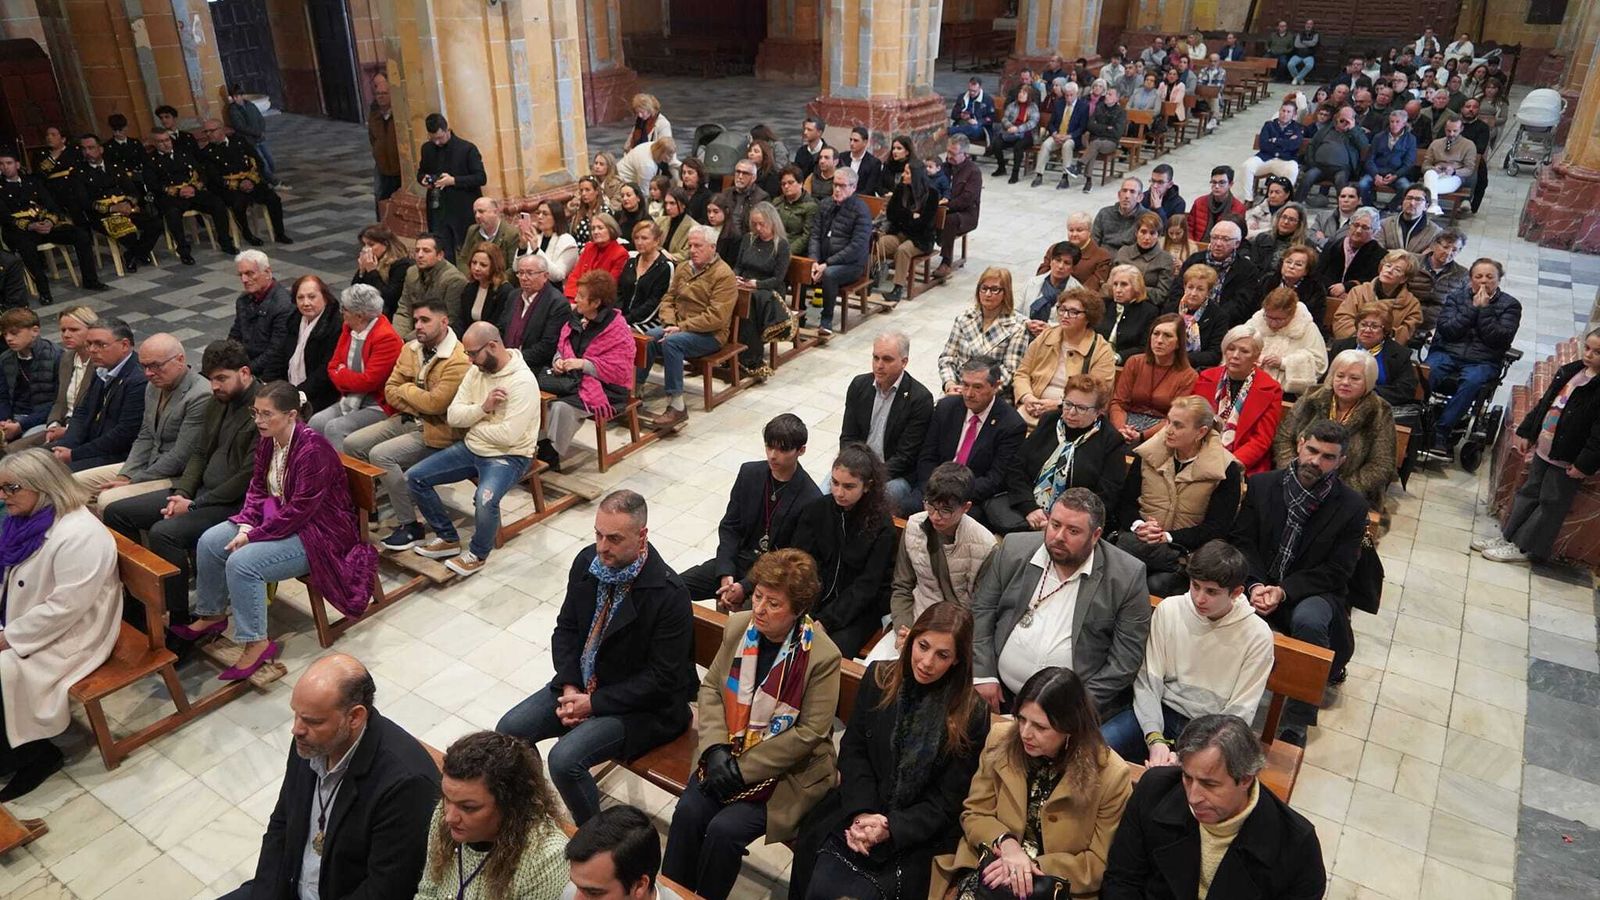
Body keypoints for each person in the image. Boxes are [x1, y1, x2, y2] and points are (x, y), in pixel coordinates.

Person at [495, 488, 696, 827]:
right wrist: (571, 685)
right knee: (510, 731)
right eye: (599, 534)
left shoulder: (668, 595)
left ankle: (595, 837)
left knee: (565, 759)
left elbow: (663, 680)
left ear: (642, 535)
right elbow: (567, 629)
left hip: (643, 709)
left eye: (614, 538)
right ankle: (534, 815)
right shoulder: (588, 564)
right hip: (585, 684)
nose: (603, 547)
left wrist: (594, 703)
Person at [662, 548, 842, 900]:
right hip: (725, 753)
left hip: (785, 773)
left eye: (773, 604)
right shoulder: (739, 626)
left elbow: (809, 733)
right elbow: (712, 687)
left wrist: (741, 769)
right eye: (758, 596)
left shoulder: (821, 656)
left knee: (724, 831)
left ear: (798, 610)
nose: (759, 609)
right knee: (687, 812)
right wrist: (714, 749)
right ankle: (672, 894)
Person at [792, 602, 991, 900]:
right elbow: (854, 750)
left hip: (914, 832)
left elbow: (948, 800)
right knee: (819, 877)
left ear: (957, 660)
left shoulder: (971, 713)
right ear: (912, 639)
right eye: (922, 646)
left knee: (866, 894)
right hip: (861, 806)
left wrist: (890, 827)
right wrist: (862, 813)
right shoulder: (879, 677)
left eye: (942, 655)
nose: (926, 662)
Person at [178, 382, 377, 677]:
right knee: (209, 541)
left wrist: (252, 535)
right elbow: (257, 487)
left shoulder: (313, 449)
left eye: (267, 414)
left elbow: (302, 511)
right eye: (255, 413)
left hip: (321, 531)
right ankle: (212, 613)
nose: (258, 421)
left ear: (291, 415)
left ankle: (256, 641)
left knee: (243, 563)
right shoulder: (268, 440)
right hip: (280, 515)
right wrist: (246, 520)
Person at [224, 654, 439, 899]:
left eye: (312, 720)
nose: (297, 729)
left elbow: (386, 889)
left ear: (355, 717)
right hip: (291, 885)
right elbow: (280, 827)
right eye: (296, 714)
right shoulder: (311, 743)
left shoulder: (405, 784)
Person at [930, 666, 1134, 898]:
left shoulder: (1110, 775)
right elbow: (974, 812)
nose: (1025, 733)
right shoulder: (1001, 739)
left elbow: (1098, 863)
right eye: (1021, 719)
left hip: (1055, 886)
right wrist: (1007, 845)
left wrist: (1029, 867)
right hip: (991, 865)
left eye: (1040, 727)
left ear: (1070, 728)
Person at [103, 340, 261, 632]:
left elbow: (247, 477)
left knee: (166, 534)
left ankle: (178, 618)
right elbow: (199, 453)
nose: (214, 386)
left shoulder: (262, 410)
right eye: (210, 378)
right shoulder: (218, 402)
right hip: (199, 492)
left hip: (233, 503)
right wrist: (182, 493)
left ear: (245, 373)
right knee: (116, 512)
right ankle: (138, 603)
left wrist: (195, 504)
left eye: (221, 378)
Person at [1234, 420, 1367, 743]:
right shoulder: (1264, 485)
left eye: (1327, 457)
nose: (1316, 462)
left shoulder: (1351, 506)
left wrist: (1284, 591)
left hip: (1311, 589)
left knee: (1308, 621)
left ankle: (1297, 719)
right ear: (1300, 445)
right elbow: (1242, 541)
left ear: (1341, 462)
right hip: (1259, 581)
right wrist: (1254, 585)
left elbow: (1337, 570)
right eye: (1312, 451)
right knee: (1214, 599)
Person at [0, 449, 121, 799]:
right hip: (32, 617)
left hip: (77, 631)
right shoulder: (26, 520)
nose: (3, 497)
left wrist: (11, 638)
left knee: (4, 670)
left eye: (12, 488)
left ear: (44, 486)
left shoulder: (81, 534)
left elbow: (65, 608)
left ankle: (36, 755)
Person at [970, 485, 1151, 718]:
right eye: (1055, 525)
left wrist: (1073, 710)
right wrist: (983, 674)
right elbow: (982, 610)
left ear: (1096, 535)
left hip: (1064, 713)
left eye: (1073, 531)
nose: (1058, 537)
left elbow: (1124, 662)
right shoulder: (1014, 548)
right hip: (996, 693)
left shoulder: (1126, 576)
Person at [1102, 714, 1326, 899]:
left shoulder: (1296, 845)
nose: (1193, 796)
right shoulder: (1154, 791)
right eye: (1188, 777)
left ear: (1246, 779)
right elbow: (1122, 880)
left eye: (1210, 784)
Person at [1102, 543, 1275, 763]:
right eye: (1195, 586)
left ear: (1237, 592)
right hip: (1159, 714)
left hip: (1212, 730)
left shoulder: (1257, 635)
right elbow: (1148, 679)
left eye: (1212, 591)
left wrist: (1190, 757)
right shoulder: (1170, 610)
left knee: (1188, 782)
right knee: (1092, 749)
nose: (1199, 598)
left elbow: (1240, 712)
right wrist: (1155, 738)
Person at [406, 322, 538, 577]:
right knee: (414, 477)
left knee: (484, 499)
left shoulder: (522, 381)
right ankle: (447, 537)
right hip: (472, 448)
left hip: (510, 456)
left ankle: (478, 554)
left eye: (473, 353)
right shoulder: (477, 370)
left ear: (492, 346)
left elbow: (510, 436)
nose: (469, 360)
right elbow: (454, 416)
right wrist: (483, 409)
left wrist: (473, 427)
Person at [336, 295, 464, 554]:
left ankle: (411, 526)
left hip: (438, 429)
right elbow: (391, 389)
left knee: (381, 455)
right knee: (352, 444)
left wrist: (407, 392)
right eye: (416, 320)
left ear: (444, 321)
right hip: (407, 418)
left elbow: (435, 405)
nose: (418, 325)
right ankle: (368, 508)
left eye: (425, 320)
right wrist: (414, 398)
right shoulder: (411, 348)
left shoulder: (457, 359)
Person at [1478, 327, 1600, 563]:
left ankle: (1524, 547)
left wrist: (1584, 464)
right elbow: (1547, 403)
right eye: (1587, 348)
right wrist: (1528, 431)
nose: (1589, 354)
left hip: (1567, 457)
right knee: (1528, 492)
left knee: (1550, 503)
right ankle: (1509, 537)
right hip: (1546, 448)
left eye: (1597, 352)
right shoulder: (1572, 371)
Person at [680, 413, 819, 605]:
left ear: (801, 450)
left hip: (773, 578)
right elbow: (730, 526)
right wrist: (725, 571)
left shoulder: (811, 498)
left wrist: (745, 586)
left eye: (782, 449)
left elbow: (792, 560)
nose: (773, 455)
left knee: (751, 620)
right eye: (769, 446)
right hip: (738, 561)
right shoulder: (749, 473)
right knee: (674, 587)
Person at [1113, 391, 1243, 595]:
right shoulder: (1148, 453)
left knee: (1155, 585)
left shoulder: (1226, 469)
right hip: (1139, 543)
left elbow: (1217, 528)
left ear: (1201, 432)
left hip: (1186, 555)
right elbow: (1125, 503)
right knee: (1117, 574)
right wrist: (1139, 526)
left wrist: (1167, 536)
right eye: (1169, 422)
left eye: (1178, 425)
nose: (1169, 431)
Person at [413, 731, 570, 899]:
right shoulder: (445, 814)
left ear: (511, 805)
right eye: (446, 798)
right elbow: (427, 892)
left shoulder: (545, 860)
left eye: (468, 807)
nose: (449, 817)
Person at [865, 464, 995, 661]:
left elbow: (980, 611)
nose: (935, 516)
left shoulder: (985, 546)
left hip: (956, 634)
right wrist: (904, 630)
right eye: (930, 505)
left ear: (966, 507)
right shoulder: (914, 525)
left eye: (946, 510)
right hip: (916, 619)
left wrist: (943, 643)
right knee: (873, 669)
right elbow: (902, 586)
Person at [74, 332, 208, 510]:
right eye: (144, 366)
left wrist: (135, 481)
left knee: (107, 499)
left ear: (180, 359)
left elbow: (180, 456)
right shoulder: (153, 387)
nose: (148, 373)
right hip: (147, 465)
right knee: (74, 485)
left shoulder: (200, 395)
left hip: (175, 476)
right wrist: (126, 475)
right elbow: (145, 436)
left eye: (155, 366)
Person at [790, 444, 898, 658]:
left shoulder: (881, 525)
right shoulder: (817, 510)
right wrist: (808, 611)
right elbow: (800, 562)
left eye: (849, 486)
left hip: (859, 609)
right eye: (835, 483)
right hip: (816, 598)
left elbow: (868, 585)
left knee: (827, 654)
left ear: (867, 486)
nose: (839, 492)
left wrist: (827, 620)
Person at [991, 373, 1128, 535]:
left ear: (1099, 411)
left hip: (1073, 524)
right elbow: (1016, 468)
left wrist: (1059, 522)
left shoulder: (1111, 441)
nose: (1071, 413)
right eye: (1068, 404)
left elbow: (1105, 497)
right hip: (1027, 511)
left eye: (1082, 408)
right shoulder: (1050, 421)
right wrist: (1029, 507)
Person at [636, 227, 736, 431]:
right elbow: (668, 299)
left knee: (672, 343)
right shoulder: (683, 268)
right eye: (690, 245)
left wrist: (680, 327)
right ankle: (634, 390)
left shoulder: (724, 274)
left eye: (698, 246)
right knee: (648, 338)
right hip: (678, 326)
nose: (692, 250)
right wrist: (670, 322)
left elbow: (716, 317)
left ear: (712, 247)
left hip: (710, 335)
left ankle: (677, 405)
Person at [1274, 350, 1398, 509]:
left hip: (1347, 493)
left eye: (1354, 378)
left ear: (1368, 382)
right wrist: (1294, 476)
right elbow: (1284, 438)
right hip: (1297, 480)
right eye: (1340, 376)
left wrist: (1339, 491)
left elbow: (1381, 465)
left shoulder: (1380, 411)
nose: (1345, 382)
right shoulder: (1312, 396)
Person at [1425, 259, 1522, 456]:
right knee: (1427, 371)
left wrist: (1484, 309)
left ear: (1498, 279)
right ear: (1470, 279)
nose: (1484, 281)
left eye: (1489, 277)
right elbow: (1447, 329)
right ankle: (1414, 418)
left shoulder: (1510, 305)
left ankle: (1442, 431)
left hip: (1483, 359)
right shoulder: (1455, 297)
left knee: (1471, 382)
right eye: (1478, 276)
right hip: (1448, 351)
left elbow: (1498, 338)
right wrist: (1472, 308)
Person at [301, 284, 402, 452]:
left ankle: (344, 477)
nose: (342, 313)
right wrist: (344, 375)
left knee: (336, 428)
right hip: (350, 398)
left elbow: (368, 382)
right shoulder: (349, 328)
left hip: (377, 404)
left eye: (345, 309)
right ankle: (316, 471)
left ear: (360, 315)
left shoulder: (387, 338)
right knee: (316, 422)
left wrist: (342, 374)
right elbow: (332, 366)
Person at [840, 332, 934, 512]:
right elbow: (848, 437)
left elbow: (905, 457)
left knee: (868, 506)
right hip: (857, 468)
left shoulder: (919, 399)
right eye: (875, 358)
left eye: (887, 359)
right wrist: (852, 469)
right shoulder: (859, 385)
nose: (879, 365)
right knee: (824, 495)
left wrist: (870, 477)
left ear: (904, 362)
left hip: (895, 475)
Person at [0, 148, 108, 299]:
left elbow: (53, 207)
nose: (5, 167)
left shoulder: (33, 182)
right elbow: (5, 218)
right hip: (21, 231)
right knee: (26, 247)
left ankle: (90, 280)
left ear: (17, 165)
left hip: (45, 226)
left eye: (9, 163)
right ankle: (44, 291)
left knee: (80, 235)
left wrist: (50, 222)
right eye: (2, 164)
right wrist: (31, 226)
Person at [46, 318, 147, 473]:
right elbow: (82, 411)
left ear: (124, 345)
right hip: (90, 445)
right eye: (89, 344)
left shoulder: (138, 380)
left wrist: (74, 454)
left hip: (116, 455)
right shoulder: (102, 368)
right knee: (32, 460)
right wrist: (67, 445)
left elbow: (123, 435)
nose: (92, 350)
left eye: (100, 344)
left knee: (52, 474)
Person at [1194, 325, 1285, 476]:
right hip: (1199, 452)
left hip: (1242, 462)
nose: (1235, 355)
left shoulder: (1271, 389)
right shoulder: (1206, 377)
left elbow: (1261, 440)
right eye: (1231, 348)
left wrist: (1227, 463)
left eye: (1244, 351)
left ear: (1256, 356)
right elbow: (1191, 421)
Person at [144, 126, 239, 265]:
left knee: (217, 203)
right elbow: (152, 184)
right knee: (172, 213)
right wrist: (177, 191)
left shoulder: (183, 153)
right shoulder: (150, 160)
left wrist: (194, 187)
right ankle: (183, 250)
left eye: (167, 140)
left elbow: (201, 172)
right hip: (172, 197)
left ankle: (225, 241)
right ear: (154, 143)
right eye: (161, 142)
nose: (166, 144)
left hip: (193, 191)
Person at [8, 307, 94, 456]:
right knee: (9, 451)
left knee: (22, 458)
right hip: (59, 425)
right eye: (63, 330)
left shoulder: (99, 363)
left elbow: (92, 410)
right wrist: (53, 424)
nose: (66, 335)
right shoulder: (67, 358)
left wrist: (67, 429)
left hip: (81, 430)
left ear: (91, 330)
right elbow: (60, 401)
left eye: (74, 330)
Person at [70, 134, 163, 271]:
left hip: (125, 209)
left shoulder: (115, 167)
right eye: (84, 149)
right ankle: (139, 253)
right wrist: (112, 208)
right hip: (102, 214)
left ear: (100, 149)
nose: (87, 152)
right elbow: (85, 202)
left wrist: (128, 204)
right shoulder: (78, 173)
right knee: (127, 232)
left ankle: (132, 254)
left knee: (156, 223)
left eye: (91, 148)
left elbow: (133, 191)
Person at [937, 268, 1031, 395]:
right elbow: (947, 358)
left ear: (1006, 293)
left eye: (994, 289)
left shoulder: (1017, 327)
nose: (987, 294)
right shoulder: (964, 319)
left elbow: (1009, 372)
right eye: (984, 288)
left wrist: (974, 391)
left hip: (991, 395)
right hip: (958, 388)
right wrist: (949, 384)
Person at [803, 167, 872, 336]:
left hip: (850, 265)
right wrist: (813, 261)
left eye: (842, 186)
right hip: (823, 261)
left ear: (853, 187)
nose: (837, 189)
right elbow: (815, 235)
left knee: (830, 274)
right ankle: (798, 315)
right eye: (835, 185)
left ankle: (826, 319)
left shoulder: (861, 210)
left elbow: (856, 247)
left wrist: (827, 264)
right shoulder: (826, 204)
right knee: (800, 266)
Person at [566, 805, 684, 900]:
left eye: (593, 893)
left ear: (639, 886)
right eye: (577, 886)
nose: (576, 898)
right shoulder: (569, 894)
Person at [1110, 314, 1198, 442]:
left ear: (1179, 343)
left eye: (1167, 335)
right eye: (1156, 333)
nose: (1159, 340)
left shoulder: (1188, 376)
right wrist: (1121, 429)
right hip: (1126, 423)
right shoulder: (1134, 362)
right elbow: (1118, 403)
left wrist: (1142, 436)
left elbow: (1175, 417)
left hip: (1161, 431)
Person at [731, 202, 793, 375]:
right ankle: (731, 346)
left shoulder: (781, 245)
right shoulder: (748, 239)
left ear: (772, 223)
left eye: (762, 224)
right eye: (755, 224)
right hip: (746, 284)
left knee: (749, 303)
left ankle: (750, 357)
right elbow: (738, 266)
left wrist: (756, 284)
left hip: (768, 290)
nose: (758, 228)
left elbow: (778, 278)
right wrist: (735, 276)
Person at [417, 113, 487, 261]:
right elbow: (421, 172)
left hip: (462, 208)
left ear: (447, 130)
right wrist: (423, 179)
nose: (437, 142)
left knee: (467, 251)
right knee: (442, 248)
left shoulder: (467, 149)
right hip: (438, 208)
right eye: (433, 138)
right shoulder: (427, 149)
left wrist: (453, 181)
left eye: (440, 137)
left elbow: (480, 178)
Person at [875, 154, 940, 306]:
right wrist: (910, 216)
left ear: (916, 176)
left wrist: (904, 216)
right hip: (900, 233)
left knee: (903, 250)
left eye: (907, 173)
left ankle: (897, 288)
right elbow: (892, 213)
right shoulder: (901, 189)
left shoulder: (931, 194)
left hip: (921, 239)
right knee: (880, 243)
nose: (903, 175)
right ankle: (871, 278)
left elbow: (924, 223)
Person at [1247, 286, 1329, 396]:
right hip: (1250, 385)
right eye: (1269, 317)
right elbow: (1238, 345)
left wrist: (1284, 363)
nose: (1273, 324)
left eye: (1279, 319)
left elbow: (1319, 363)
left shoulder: (1306, 327)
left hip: (1288, 393)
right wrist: (1254, 358)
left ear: (1292, 314)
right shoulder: (1257, 321)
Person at [280, 274, 343, 415]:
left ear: (325, 297)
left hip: (322, 394)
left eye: (311, 297)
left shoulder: (335, 325)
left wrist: (296, 394)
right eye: (300, 298)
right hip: (293, 388)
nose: (305, 303)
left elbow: (324, 371)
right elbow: (281, 354)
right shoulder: (294, 319)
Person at [1332, 249, 1423, 345]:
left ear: (1404, 279)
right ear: (1381, 268)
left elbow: (1405, 333)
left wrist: (1379, 342)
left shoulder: (1412, 304)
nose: (1389, 271)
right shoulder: (1358, 292)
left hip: (1385, 352)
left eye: (1397, 270)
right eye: (1388, 266)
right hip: (1353, 345)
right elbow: (1342, 320)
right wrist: (1362, 339)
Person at [229, 249, 294, 381]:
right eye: (240, 275)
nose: (244, 279)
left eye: (249, 273)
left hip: (270, 373)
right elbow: (235, 336)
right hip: (247, 365)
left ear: (267, 272)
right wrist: (225, 359)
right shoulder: (243, 300)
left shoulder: (283, 305)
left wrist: (245, 372)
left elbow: (275, 352)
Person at [394, 232, 470, 338]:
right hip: (414, 331)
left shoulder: (454, 280)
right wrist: (397, 338)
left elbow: (449, 320)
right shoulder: (412, 272)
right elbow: (404, 309)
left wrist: (408, 340)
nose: (420, 255)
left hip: (439, 336)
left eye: (426, 251)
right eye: (417, 250)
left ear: (440, 255)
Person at [0, 309, 59, 444]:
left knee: (22, 447)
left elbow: (58, 403)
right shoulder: (5, 359)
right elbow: (3, 396)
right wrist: (4, 421)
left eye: (14, 333)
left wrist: (22, 425)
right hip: (13, 417)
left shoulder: (56, 356)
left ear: (35, 331)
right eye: (5, 334)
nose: (8, 338)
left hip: (42, 418)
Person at [933, 135, 983, 282]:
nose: (949, 157)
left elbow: (966, 200)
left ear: (965, 154)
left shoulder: (973, 172)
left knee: (949, 220)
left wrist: (944, 206)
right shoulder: (944, 167)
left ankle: (946, 262)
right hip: (943, 207)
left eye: (953, 154)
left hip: (965, 214)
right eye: (947, 152)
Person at [1295, 106, 1368, 201]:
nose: (1344, 123)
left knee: (1341, 182)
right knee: (1307, 177)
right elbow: (1312, 145)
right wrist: (1312, 163)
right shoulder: (1327, 129)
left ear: (1353, 120)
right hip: (1320, 166)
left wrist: (1352, 129)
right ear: (1337, 118)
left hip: (1341, 169)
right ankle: (1296, 203)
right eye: (1342, 120)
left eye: (1347, 121)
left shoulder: (1356, 132)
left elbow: (1364, 145)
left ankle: (1343, 208)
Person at [1317, 206, 1384, 304]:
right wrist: (1334, 291)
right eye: (1356, 225)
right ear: (1350, 225)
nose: (1358, 231)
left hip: (1358, 302)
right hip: (1326, 296)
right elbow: (1318, 273)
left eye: (1365, 227)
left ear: (1374, 231)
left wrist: (1346, 287)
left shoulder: (1379, 254)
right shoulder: (1332, 246)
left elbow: (1372, 282)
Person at [1098, 263, 1161, 365]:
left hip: (1126, 365)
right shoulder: (1103, 305)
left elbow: (1144, 347)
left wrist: (1117, 357)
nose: (1118, 290)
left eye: (1124, 284)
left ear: (1136, 287)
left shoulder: (1149, 311)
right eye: (1115, 284)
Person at [1067, 87, 1127, 193]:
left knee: (1095, 144)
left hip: (1110, 142)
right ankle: (1088, 181)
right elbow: (1090, 125)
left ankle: (1079, 166)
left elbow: (1117, 132)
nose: (1106, 96)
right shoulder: (1099, 107)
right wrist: (1106, 128)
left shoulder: (1121, 112)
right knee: (1094, 147)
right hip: (1095, 140)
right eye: (1106, 93)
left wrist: (1099, 127)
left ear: (1117, 98)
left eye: (1110, 94)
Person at [617, 220, 674, 330]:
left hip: (649, 320)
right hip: (623, 317)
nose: (639, 242)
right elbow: (619, 292)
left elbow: (655, 303)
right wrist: (618, 315)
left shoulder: (665, 267)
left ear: (656, 241)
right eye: (636, 238)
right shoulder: (631, 261)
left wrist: (626, 320)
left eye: (644, 238)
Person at [1032, 79, 1086, 189]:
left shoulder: (1083, 106)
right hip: (1058, 135)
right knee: (1046, 145)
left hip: (1072, 137)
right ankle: (1039, 174)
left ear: (1076, 94)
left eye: (1071, 95)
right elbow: (1050, 123)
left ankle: (1065, 177)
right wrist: (1054, 133)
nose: (1069, 98)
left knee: (1067, 146)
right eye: (1066, 95)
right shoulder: (1059, 104)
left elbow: (1082, 128)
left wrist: (1069, 136)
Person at [352, 223, 414, 319]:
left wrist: (372, 271)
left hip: (392, 314)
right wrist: (361, 271)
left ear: (385, 244)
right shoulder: (372, 261)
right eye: (364, 245)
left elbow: (389, 297)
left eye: (371, 245)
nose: (366, 249)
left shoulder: (401, 265)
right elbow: (354, 291)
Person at [1020, 240, 1086, 329]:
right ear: (1051, 261)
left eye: (1066, 263)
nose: (1060, 266)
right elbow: (1016, 311)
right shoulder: (1032, 282)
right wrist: (1028, 323)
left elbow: (1076, 323)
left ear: (1073, 268)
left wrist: (1049, 328)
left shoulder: (1078, 292)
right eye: (1058, 260)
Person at [565, 213, 630, 302]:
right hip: (577, 298)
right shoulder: (588, 247)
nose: (595, 232)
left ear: (611, 229)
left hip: (598, 302)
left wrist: (581, 302)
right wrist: (571, 299)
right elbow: (575, 275)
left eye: (600, 228)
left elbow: (608, 286)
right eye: (593, 228)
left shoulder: (620, 253)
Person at [1361, 109, 1418, 207]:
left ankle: (1389, 208)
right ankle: (1369, 207)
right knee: (1362, 184)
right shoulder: (1379, 137)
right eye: (1392, 121)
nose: (1394, 124)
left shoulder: (1411, 139)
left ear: (1404, 123)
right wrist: (1375, 175)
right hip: (1378, 172)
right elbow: (1370, 159)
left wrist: (1395, 176)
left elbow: (1408, 163)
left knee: (1405, 187)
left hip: (1396, 174)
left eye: (1397, 122)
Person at [225, 83, 277, 187]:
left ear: (241, 96)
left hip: (259, 137)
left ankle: (270, 176)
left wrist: (261, 130)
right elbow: (240, 126)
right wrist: (256, 132)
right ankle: (271, 180)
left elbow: (260, 118)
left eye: (237, 96)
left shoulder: (250, 105)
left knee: (269, 158)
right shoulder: (233, 110)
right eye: (233, 97)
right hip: (249, 139)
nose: (235, 99)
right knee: (261, 160)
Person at [457, 243, 514, 335]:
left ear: (494, 267)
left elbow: (498, 327)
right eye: (474, 262)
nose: (476, 268)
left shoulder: (504, 291)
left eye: (483, 265)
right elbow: (461, 321)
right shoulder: (470, 287)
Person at [519, 200, 580, 285]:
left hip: (556, 289)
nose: (540, 217)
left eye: (545, 214)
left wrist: (536, 250)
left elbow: (558, 276)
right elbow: (516, 268)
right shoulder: (537, 237)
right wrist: (523, 246)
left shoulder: (567, 241)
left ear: (556, 217)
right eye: (538, 213)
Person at [456, 197, 522, 277]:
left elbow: (513, 268)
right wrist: (471, 277)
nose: (477, 216)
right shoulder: (473, 230)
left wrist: (492, 282)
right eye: (475, 212)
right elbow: (463, 259)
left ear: (495, 212)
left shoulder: (511, 234)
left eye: (481, 211)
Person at [986, 84, 1039, 184]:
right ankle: (1001, 167)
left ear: (1029, 96)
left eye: (1023, 93)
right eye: (1020, 92)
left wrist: (1017, 129)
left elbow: (1033, 122)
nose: (1020, 95)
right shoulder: (1012, 105)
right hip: (1010, 132)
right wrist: (1010, 126)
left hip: (1027, 134)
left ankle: (1015, 173)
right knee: (997, 143)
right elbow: (1004, 118)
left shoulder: (1033, 107)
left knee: (1018, 147)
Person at [1185, 166, 1247, 243]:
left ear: (1230, 184)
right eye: (1214, 182)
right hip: (1197, 245)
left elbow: (1236, 236)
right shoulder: (1199, 202)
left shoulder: (1238, 208)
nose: (1216, 186)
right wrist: (1193, 245)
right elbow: (1189, 228)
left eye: (1221, 183)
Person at [368, 73, 401, 208]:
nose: (380, 97)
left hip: (398, 169)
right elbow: (373, 138)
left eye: (384, 93)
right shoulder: (375, 117)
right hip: (383, 168)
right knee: (382, 199)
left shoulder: (399, 117)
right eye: (378, 94)